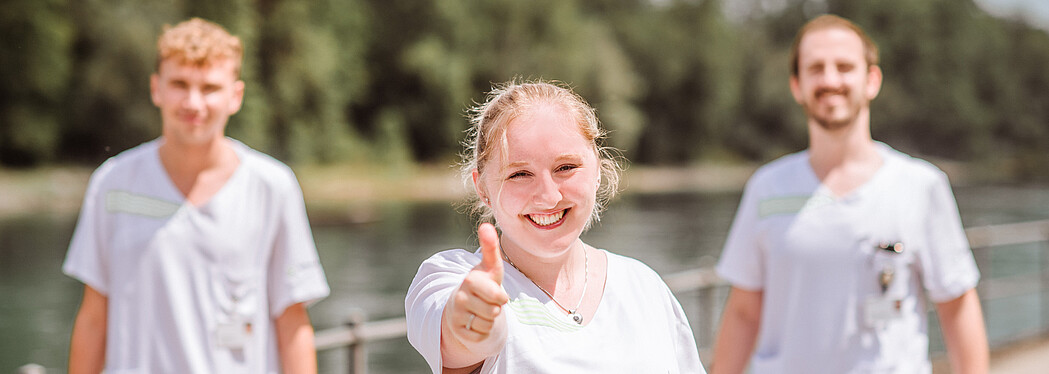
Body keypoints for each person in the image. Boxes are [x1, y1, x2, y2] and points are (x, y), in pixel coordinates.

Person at [711, 14, 989, 374]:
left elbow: (957, 307)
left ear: (871, 80)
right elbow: (744, 311)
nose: (830, 80)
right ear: (796, 85)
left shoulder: (921, 186)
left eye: (844, 67)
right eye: (816, 68)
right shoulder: (767, 188)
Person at [63, 18, 330, 373]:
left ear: (235, 96)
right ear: (156, 88)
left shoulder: (273, 186)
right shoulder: (111, 183)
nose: (193, 102)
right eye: (179, 84)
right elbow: (94, 319)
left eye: (209, 88)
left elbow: (292, 322)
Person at [405, 80, 706, 373]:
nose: (549, 196)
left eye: (565, 168)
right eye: (520, 174)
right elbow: (456, 338)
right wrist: (472, 323)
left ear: (597, 170)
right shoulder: (452, 276)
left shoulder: (644, 286)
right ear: (481, 187)